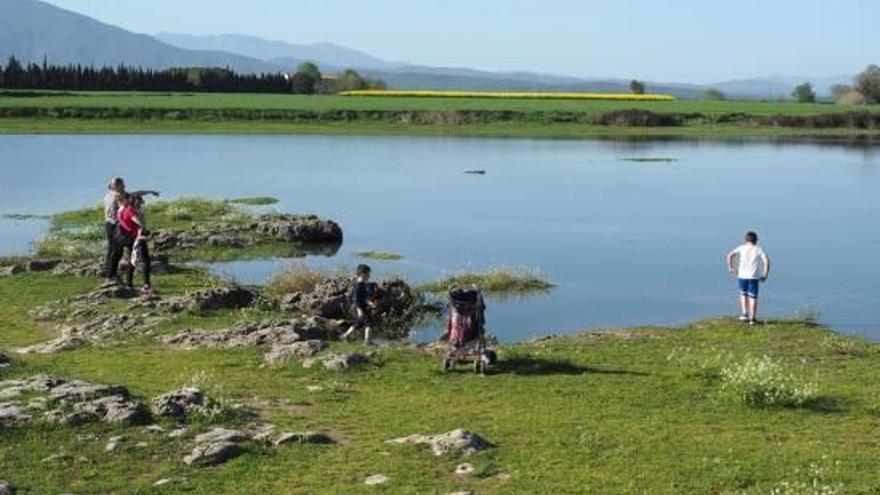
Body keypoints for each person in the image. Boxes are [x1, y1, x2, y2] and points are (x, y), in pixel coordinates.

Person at [103, 177, 159, 284]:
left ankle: (113, 276)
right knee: (116, 251)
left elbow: (135, 194)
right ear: (115, 186)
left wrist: (150, 192)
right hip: (114, 225)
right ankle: (111, 276)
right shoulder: (117, 196)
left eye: (123, 184)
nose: (124, 186)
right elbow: (131, 211)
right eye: (121, 185)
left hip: (115, 223)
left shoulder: (114, 195)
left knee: (114, 251)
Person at [109, 193, 154, 294]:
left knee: (132, 261)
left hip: (129, 239)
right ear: (133, 201)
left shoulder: (122, 210)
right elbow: (137, 221)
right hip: (137, 238)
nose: (141, 204)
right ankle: (146, 285)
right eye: (139, 201)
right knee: (146, 260)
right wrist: (144, 229)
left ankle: (129, 284)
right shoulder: (130, 210)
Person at [727, 231, 771, 325]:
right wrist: (765, 275)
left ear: (745, 240)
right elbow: (766, 261)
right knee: (753, 297)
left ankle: (744, 314)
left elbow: (730, 255)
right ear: (756, 241)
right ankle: (752, 319)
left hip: (742, 276)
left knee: (743, 294)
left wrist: (731, 268)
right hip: (753, 277)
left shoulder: (741, 248)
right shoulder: (758, 249)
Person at [341, 264, 378, 345]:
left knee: (359, 323)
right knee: (369, 322)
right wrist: (359, 309)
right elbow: (356, 299)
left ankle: (345, 335)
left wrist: (370, 303)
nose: (369, 276)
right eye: (368, 274)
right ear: (362, 274)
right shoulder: (359, 286)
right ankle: (367, 341)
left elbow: (364, 298)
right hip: (361, 308)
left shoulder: (363, 285)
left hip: (364, 307)